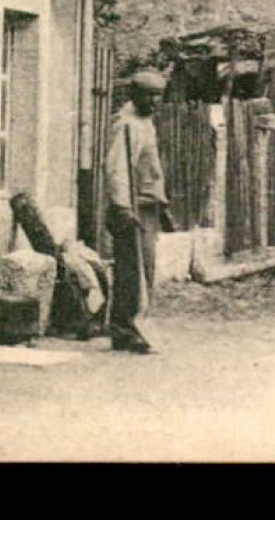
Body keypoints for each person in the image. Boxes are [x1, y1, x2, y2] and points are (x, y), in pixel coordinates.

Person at [103, 69, 171, 354]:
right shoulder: (126, 124)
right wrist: (121, 207)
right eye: (148, 96)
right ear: (134, 95)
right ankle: (128, 331)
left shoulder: (145, 122)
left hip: (148, 205)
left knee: (144, 270)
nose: (154, 102)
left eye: (158, 97)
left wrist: (161, 202)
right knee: (134, 273)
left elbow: (150, 168)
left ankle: (129, 329)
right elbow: (117, 168)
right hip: (132, 208)